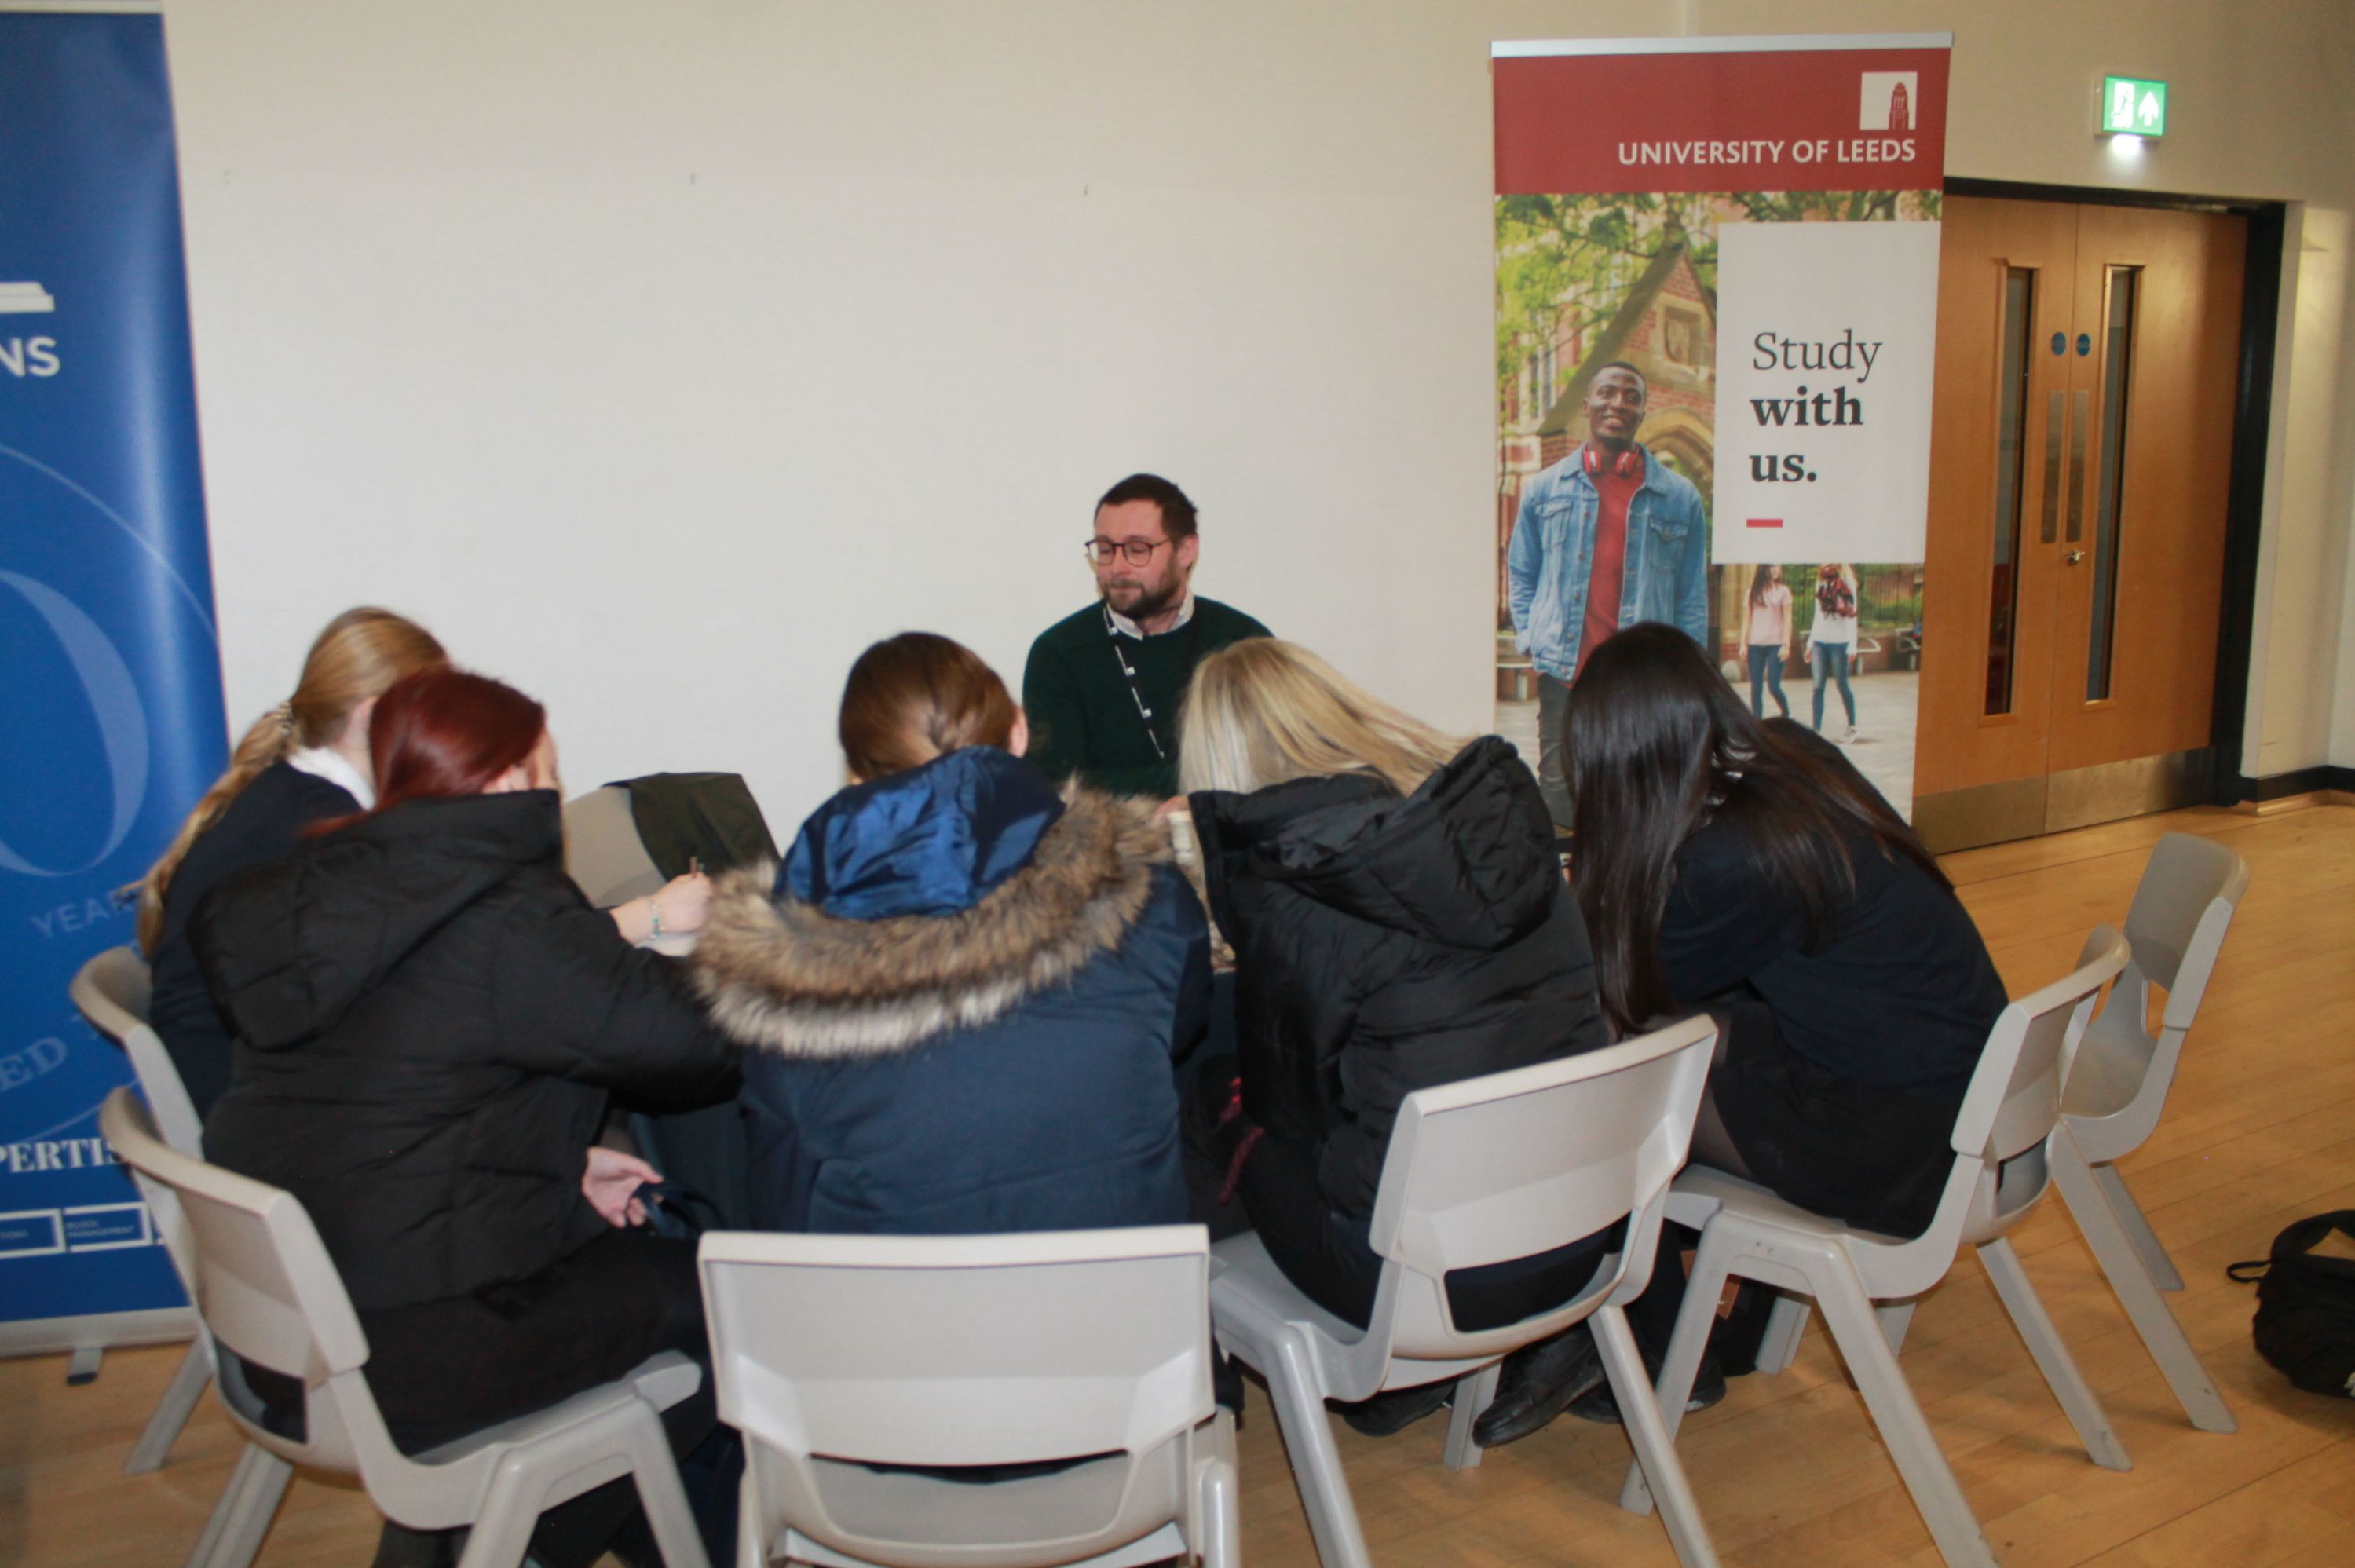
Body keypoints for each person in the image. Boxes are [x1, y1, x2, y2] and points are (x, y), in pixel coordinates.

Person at [192, 667, 741, 1568]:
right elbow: (693, 1041)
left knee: (655, 1284)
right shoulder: (501, 915)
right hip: (414, 1347)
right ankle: (507, 1544)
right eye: (551, 776)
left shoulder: (316, 894)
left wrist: (558, 1166)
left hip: (292, 1325)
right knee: (731, 1308)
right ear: (510, 781)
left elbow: (394, 1091)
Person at [1177, 638, 1616, 1445]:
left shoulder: (1296, 891)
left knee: (1209, 1095)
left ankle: (1196, 1393)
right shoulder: (1493, 837)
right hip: (1579, 1239)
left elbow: (1290, 1112)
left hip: (1416, 1285)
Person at [1565, 624, 2007, 1398]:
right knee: (1665, 1045)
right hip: (1947, 1085)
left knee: (1622, 1096)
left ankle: (1660, 1354)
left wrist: (1594, 872)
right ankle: (1716, 1325)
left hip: (1895, 1135)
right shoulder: (1789, 756)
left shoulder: (1729, 860)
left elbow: (1620, 987)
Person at [692, 632, 1211, 1237]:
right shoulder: (1149, 896)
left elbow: (785, 1209)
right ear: (1016, 732)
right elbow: (1179, 1033)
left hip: (897, 1324)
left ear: (857, 778)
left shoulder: (785, 975)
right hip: (1131, 1314)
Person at [137, 608, 446, 1118]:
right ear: (372, 717)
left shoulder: (292, 793)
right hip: (245, 1095)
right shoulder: (324, 823)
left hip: (237, 1069)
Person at [1505, 361, 1710, 830]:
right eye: (1608, 392)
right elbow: (1521, 572)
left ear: (1642, 412)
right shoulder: (1542, 490)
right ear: (1587, 405)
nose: (1619, 403)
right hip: (1564, 670)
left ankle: (1620, 896)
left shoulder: (1679, 498)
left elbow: (1690, 598)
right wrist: (1534, 638)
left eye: (1632, 396)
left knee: (1636, 799)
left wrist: (1686, 675)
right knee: (1559, 800)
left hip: (1640, 681)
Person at [1022, 473, 1271, 800]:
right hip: (1114, 848)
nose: (1117, 567)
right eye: (1106, 549)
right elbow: (1053, 786)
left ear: (1185, 551)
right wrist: (1194, 782)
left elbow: (1270, 767)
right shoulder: (1059, 653)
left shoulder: (1244, 641)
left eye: (1137, 549)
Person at [1808, 561, 1860, 743]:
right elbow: (1817, 615)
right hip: (1820, 642)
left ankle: (1852, 726)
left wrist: (1852, 645)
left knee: (1842, 685)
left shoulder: (1847, 582)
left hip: (1840, 642)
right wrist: (1810, 643)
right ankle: (1816, 731)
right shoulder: (1820, 582)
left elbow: (1853, 616)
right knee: (1817, 687)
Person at [1740, 564, 1793, 720]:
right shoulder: (1751, 593)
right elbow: (1747, 620)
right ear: (1764, 569)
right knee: (1756, 687)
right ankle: (1757, 722)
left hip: (1775, 644)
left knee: (1774, 686)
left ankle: (1785, 713)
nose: (1776, 570)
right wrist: (1743, 643)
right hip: (1756, 644)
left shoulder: (1783, 591)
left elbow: (1788, 619)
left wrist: (1786, 644)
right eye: (1772, 567)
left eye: (1778, 567)